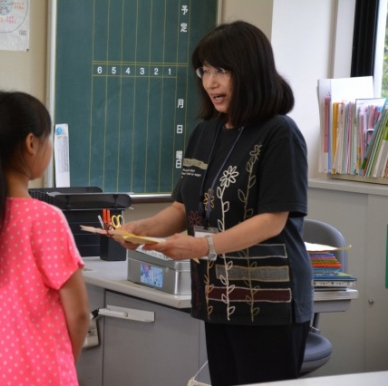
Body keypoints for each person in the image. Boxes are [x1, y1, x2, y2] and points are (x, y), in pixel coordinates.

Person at [117, 21, 312, 386]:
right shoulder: (205, 132)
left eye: (221, 70)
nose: (210, 82)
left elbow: (273, 220)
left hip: (268, 303)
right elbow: (182, 207)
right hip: (218, 296)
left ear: (250, 70)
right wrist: (142, 230)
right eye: (205, 71)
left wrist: (202, 245)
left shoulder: (279, 133)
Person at [0, 90, 90, 385]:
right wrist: (62, 365)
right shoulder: (45, 220)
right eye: (47, 138)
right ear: (32, 143)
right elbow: (80, 315)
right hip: (39, 375)